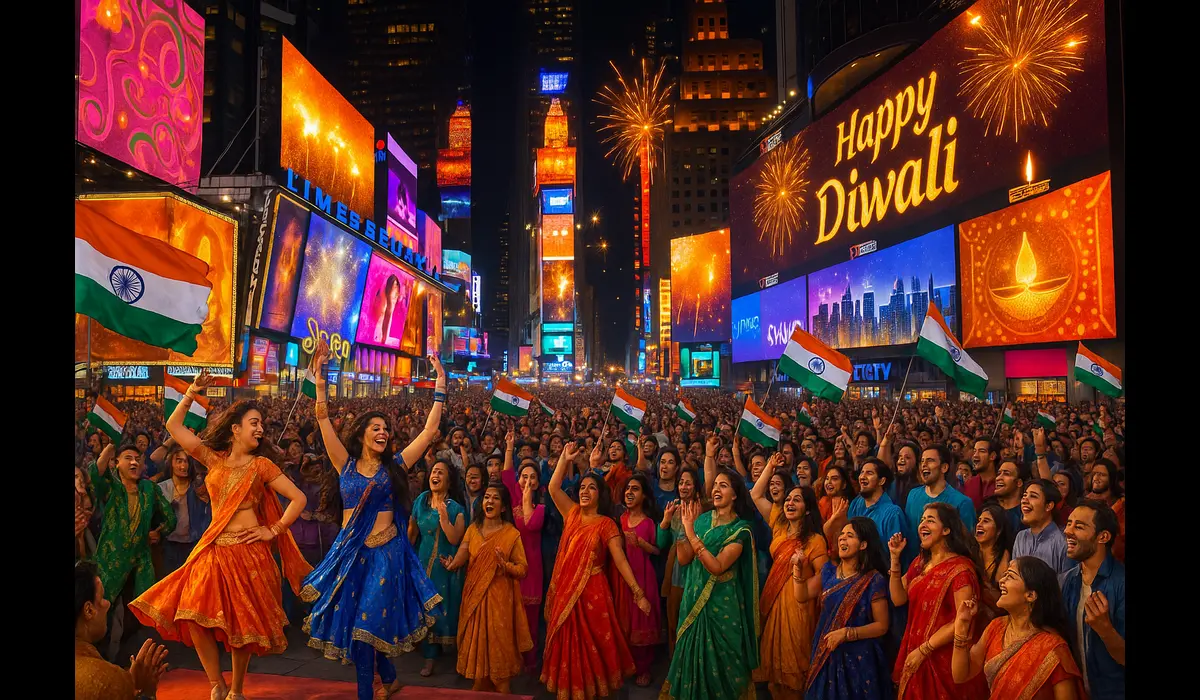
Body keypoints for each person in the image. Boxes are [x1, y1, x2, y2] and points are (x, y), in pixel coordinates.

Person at [130, 372, 311, 700]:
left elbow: (299, 498)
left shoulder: (261, 466)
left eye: (262, 424)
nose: (260, 428)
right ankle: (216, 682)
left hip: (250, 553)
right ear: (235, 428)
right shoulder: (212, 459)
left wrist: (274, 528)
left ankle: (236, 689)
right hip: (213, 550)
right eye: (254, 422)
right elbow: (173, 427)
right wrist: (192, 392)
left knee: (242, 625)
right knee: (193, 612)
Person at [301, 346, 447, 700]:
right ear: (362, 433)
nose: (383, 433)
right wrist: (320, 384)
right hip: (351, 555)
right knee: (359, 625)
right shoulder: (345, 464)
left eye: (386, 429)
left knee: (366, 626)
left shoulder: (395, 466)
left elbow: (428, 432)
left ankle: (367, 694)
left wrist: (441, 384)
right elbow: (323, 422)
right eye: (376, 427)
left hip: (387, 553)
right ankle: (391, 676)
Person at [540, 442, 651, 700]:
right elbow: (554, 488)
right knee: (568, 643)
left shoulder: (606, 524)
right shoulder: (572, 514)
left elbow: (621, 561)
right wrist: (565, 460)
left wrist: (638, 592)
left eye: (592, 487)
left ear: (601, 495)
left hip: (594, 593)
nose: (585, 491)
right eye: (582, 487)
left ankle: (590, 689)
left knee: (594, 645)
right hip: (567, 590)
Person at [660, 469, 760, 700]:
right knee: (691, 659)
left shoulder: (741, 529)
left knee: (725, 665)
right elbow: (684, 559)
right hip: (693, 601)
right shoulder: (702, 519)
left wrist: (691, 533)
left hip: (723, 608)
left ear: (735, 494)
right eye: (715, 485)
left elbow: (717, 566)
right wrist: (686, 531)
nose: (716, 489)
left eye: (723, 485)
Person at [887, 503, 988, 700]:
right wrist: (895, 559)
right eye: (922, 519)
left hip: (943, 659)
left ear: (946, 529)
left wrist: (925, 650)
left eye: (930, 520)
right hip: (915, 649)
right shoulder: (920, 563)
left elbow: (962, 619)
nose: (923, 523)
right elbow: (898, 599)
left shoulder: (961, 570)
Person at [439, 482, 533, 694]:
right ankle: (480, 684)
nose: (489, 501)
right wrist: (452, 564)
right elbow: (463, 551)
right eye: (486, 497)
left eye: (495, 498)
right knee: (478, 666)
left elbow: (523, 569)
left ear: (503, 507)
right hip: (474, 598)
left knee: (500, 659)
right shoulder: (473, 529)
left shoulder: (511, 534)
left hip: (500, 601)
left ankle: (502, 688)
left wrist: (505, 565)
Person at [951, 558, 1086, 699]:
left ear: (1030, 595)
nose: (1001, 581)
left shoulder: (1053, 649)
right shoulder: (996, 627)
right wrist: (961, 626)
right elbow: (961, 675)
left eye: (1010, 576)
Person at [89, 441, 177, 657]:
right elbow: (96, 474)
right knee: (104, 610)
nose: (134, 462)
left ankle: (134, 661)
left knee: (141, 614)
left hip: (141, 561)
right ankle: (99, 658)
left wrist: (159, 532)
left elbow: (170, 519)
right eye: (128, 458)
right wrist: (109, 447)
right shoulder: (111, 486)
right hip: (111, 560)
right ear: (116, 463)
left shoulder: (150, 489)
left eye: (138, 459)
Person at [751, 459, 828, 698]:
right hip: (774, 600)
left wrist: (802, 586)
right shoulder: (779, 527)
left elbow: (824, 576)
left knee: (794, 660)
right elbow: (755, 494)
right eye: (788, 499)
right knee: (774, 660)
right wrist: (770, 466)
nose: (789, 502)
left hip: (798, 605)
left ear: (807, 509)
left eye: (796, 499)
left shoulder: (815, 540)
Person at [795, 517, 891, 700]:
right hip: (827, 653)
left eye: (850, 536)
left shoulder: (873, 580)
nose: (842, 539)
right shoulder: (829, 571)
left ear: (863, 545)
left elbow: (882, 625)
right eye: (841, 536)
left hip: (858, 660)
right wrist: (797, 571)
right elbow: (802, 595)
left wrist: (847, 633)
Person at [75, 560, 170, 700]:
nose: (107, 604)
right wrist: (145, 690)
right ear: (89, 610)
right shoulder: (106, 679)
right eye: (102, 598)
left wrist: (129, 683)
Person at [1061, 499, 1126, 699]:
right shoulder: (1069, 580)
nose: (1067, 531)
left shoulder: (1122, 584)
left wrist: (1105, 629)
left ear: (1103, 536)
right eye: (1069, 523)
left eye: (1079, 526)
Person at [409, 458, 467, 677]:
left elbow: (454, 539)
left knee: (442, 611)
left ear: (449, 482)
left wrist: (444, 518)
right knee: (423, 608)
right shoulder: (422, 501)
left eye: (441, 473)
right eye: (434, 471)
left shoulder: (456, 509)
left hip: (446, 568)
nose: (436, 475)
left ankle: (438, 653)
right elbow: (412, 532)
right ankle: (429, 655)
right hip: (421, 564)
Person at [612, 472, 665, 686]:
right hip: (621, 578)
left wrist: (642, 544)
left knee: (642, 620)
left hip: (643, 577)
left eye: (635, 489)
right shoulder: (619, 520)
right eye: (627, 489)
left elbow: (657, 551)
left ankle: (643, 668)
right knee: (623, 620)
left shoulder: (649, 523)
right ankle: (627, 665)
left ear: (644, 496)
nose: (630, 493)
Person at [500, 432, 545, 675]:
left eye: (532, 477)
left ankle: (530, 662)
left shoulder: (541, 506)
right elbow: (507, 474)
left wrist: (527, 499)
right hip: (511, 562)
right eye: (523, 476)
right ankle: (511, 657)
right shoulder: (514, 494)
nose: (527, 480)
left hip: (532, 566)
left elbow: (529, 525)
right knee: (510, 613)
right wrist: (509, 447)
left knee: (530, 617)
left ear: (538, 482)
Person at [902, 445, 976, 569]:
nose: (924, 465)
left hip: (946, 571)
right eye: (922, 461)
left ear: (944, 467)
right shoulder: (912, 495)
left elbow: (966, 546)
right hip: (914, 569)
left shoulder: (962, 502)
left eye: (930, 460)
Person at [660, 466, 703, 656]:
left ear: (696, 486)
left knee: (691, 618)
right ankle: (674, 664)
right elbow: (661, 543)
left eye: (688, 483)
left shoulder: (702, 510)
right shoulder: (674, 508)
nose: (683, 486)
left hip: (694, 570)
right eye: (681, 482)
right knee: (673, 619)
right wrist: (665, 521)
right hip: (674, 570)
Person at [158, 444, 202, 575]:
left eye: (186, 461)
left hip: (194, 544)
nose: (183, 466)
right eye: (179, 461)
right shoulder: (162, 489)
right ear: (171, 462)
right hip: (169, 545)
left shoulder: (199, 489)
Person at [1012, 479, 1070, 574]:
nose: (1024, 500)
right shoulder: (1020, 537)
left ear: (1048, 506)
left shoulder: (1063, 542)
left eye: (1033, 496)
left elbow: (1065, 585)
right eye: (1024, 495)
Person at [973, 503, 1013, 615]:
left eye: (986, 521)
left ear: (999, 530)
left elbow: (1002, 604)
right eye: (979, 520)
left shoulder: (1004, 557)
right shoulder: (970, 553)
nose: (979, 525)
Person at [1086, 459, 1125, 562]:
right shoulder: (1086, 502)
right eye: (1094, 474)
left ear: (1111, 479)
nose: (1096, 478)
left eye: (1102, 475)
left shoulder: (1122, 505)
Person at [991, 460, 1028, 536]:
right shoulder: (988, 508)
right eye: (998, 473)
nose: (998, 478)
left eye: (1006, 474)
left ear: (1019, 483)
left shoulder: (1026, 515)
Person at [962, 439, 999, 512]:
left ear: (992, 456)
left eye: (982, 451)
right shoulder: (969, 484)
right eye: (975, 451)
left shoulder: (1001, 484)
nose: (975, 455)